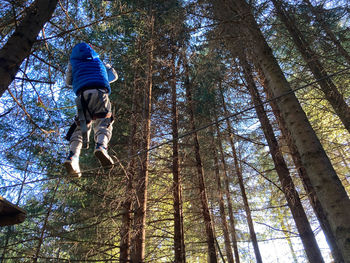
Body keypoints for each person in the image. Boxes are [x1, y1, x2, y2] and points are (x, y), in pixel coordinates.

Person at [63, 42, 118, 176]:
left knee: (81, 128)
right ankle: (101, 147)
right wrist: (104, 73)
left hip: (82, 96)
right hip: (100, 91)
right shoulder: (98, 60)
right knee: (104, 122)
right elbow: (114, 76)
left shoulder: (73, 63)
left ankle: (73, 157)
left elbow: (68, 81)